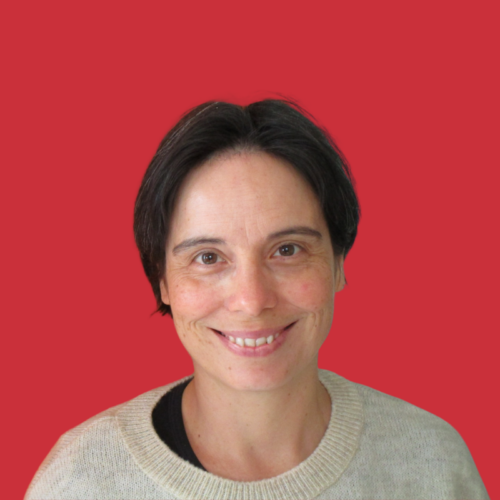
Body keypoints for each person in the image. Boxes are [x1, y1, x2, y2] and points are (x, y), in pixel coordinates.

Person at [25, 99, 489, 499]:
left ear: (338, 263)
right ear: (162, 280)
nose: (251, 300)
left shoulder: (432, 465)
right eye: (208, 257)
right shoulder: (82, 480)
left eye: (287, 251)